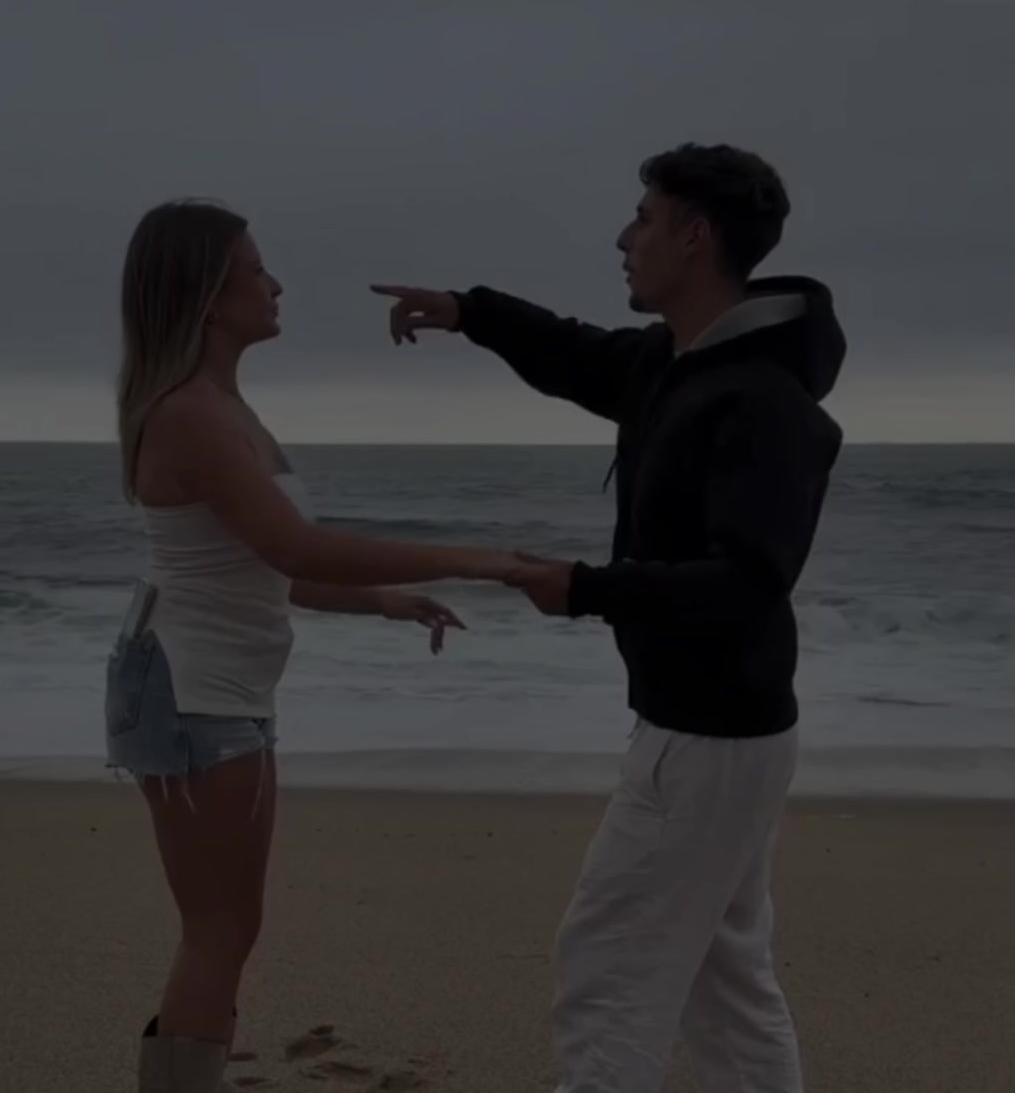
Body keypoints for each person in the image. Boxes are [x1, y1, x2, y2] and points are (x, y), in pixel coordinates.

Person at [373, 142, 847, 1093]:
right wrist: (472, 312)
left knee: (610, 971)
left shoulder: (763, 402)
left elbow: (748, 582)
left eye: (644, 218)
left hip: (707, 737)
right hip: (719, 728)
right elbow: (579, 356)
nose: (624, 239)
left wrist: (587, 588)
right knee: (724, 982)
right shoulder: (677, 361)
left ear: (695, 237)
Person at [107, 199, 527, 1093]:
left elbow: (275, 570)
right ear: (208, 294)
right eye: (257, 269)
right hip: (189, 690)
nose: (277, 284)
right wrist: (477, 559)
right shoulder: (190, 414)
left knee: (229, 926)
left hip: (216, 685)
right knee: (218, 930)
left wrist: (387, 602)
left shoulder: (225, 407)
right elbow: (297, 549)